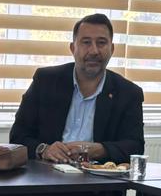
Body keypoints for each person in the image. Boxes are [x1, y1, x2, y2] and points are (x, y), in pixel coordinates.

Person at [11, 13, 144, 167]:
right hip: (47, 174)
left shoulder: (128, 93)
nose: (94, 51)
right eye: (86, 42)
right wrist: (44, 149)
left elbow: (135, 147)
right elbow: (18, 136)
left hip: (97, 179)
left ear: (112, 49)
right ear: (73, 48)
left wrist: (99, 150)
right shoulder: (46, 81)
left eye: (101, 43)